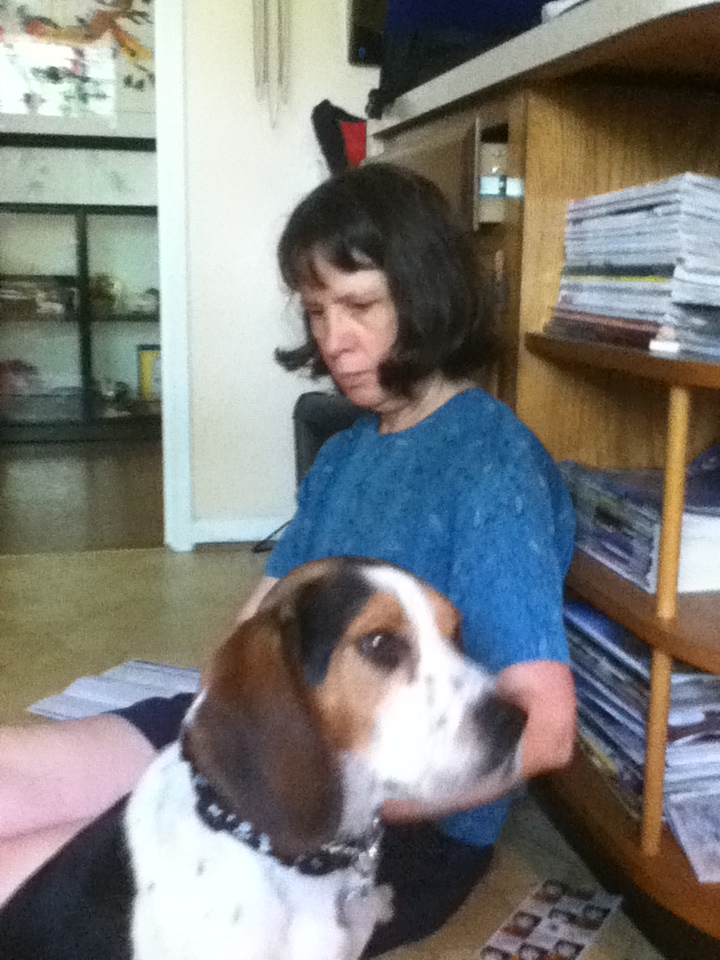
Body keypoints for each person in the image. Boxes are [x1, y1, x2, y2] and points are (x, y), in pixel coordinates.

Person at [0, 163, 576, 955]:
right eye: (317, 311)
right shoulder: (345, 452)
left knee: (31, 878)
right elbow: (252, 632)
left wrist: (313, 796)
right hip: (264, 742)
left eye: (361, 306)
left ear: (427, 292)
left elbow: (545, 730)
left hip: (388, 826)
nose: (333, 339)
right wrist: (231, 752)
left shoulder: (491, 468)